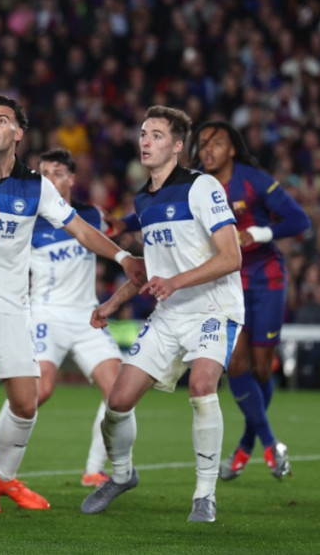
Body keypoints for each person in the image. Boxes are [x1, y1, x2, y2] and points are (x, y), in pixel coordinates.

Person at [0, 95, 145, 513]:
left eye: (2, 120)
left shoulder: (36, 186)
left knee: (25, 400)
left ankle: (4, 478)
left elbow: (81, 230)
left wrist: (124, 257)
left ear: (19, 133)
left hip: (17, 308)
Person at [82, 106, 243, 523]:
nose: (145, 141)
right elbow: (151, 271)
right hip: (169, 313)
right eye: (142, 133)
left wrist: (177, 282)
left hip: (213, 308)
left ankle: (204, 495)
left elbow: (231, 257)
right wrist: (111, 304)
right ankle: (121, 474)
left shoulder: (202, 187)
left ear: (176, 146)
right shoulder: (145, 199)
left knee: (203, 385)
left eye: (155, 135)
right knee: (117, 403)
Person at [190, 120, 310, 481]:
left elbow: (299, 219)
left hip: (266, 278)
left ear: (232, 149)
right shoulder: (195, 183)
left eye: (217, 143)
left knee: (261, 367)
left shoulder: (253, 180)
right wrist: (126, 223)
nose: (208, 149)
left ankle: (245, 446)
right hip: (227, 281)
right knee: (237, 363)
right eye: (203, 143)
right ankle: (271, 444)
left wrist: (260, 232)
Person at [26, 148, 123, 487]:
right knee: (39, 392)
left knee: (120, 392)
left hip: (87, 316)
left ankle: (94, 469)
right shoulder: (28, 220)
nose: (47, 178)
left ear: (70, 178)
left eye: (55, 172)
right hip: (45, 314)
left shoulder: (91, 216)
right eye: (42, 172)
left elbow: (122, 226)